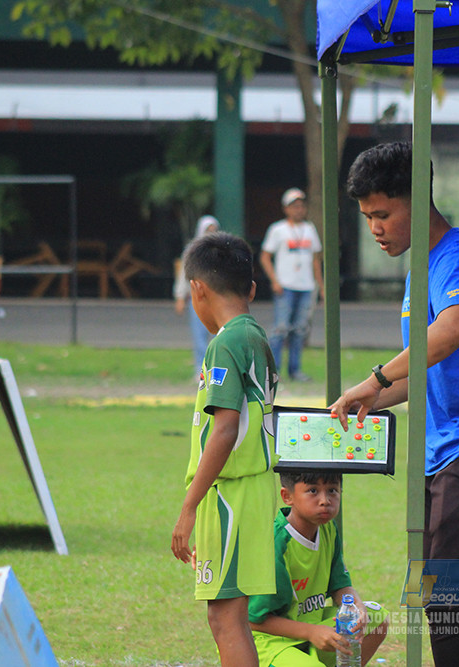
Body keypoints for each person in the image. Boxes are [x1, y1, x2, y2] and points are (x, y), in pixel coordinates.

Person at [328, 141, 459, 667]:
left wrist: (376, 377)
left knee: (453, 577)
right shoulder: (420, 270)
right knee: (435, 585)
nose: (374, 228)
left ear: (418, 200)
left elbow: (451, 331)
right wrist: (367, 398)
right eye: (367, 217)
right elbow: (427, 369)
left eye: (383, 214)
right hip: (448, 449)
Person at [171, 231, 280, 667]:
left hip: (230, 496)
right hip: (250, 491)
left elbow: (225, 430)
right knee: (230, 615)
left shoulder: (226, 342)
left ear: (197, 289)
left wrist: (189, 506)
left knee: (225, 617)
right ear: (251, 289)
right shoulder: (254, 335)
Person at [248, 471, 389, 667]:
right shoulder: (275, 544)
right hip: (270, 642)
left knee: (377, 617)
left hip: (310, 628)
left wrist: (356, 606)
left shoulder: (328, 529)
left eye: (332, 490)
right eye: (313, 491)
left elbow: (340, 585)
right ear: (287, 496)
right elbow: (253, 620)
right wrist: (311, 632)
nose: (325, 501)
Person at [260, 188, 324, 382]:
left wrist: (320, 285)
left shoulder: (309, 229)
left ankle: (295, 370)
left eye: (301, 206)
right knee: (280, 329)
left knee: (300, 330)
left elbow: (315, 259)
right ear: (286, 208)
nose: (298, 209)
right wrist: (274, 280)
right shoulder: (277, 229)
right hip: (285, 285)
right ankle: (274, 371)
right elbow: (265, 257)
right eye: (294, 206)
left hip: (306, 286)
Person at [174, 215, 220, 371]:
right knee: (199, 335)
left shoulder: (221, 250)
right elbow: (183, 275)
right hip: (197, 297)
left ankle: (217, 367)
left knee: (219, 335)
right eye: (208, 230)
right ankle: (200, 369)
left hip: (216, 297)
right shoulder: (192, 250)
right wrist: (180, 297)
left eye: (214, 230)